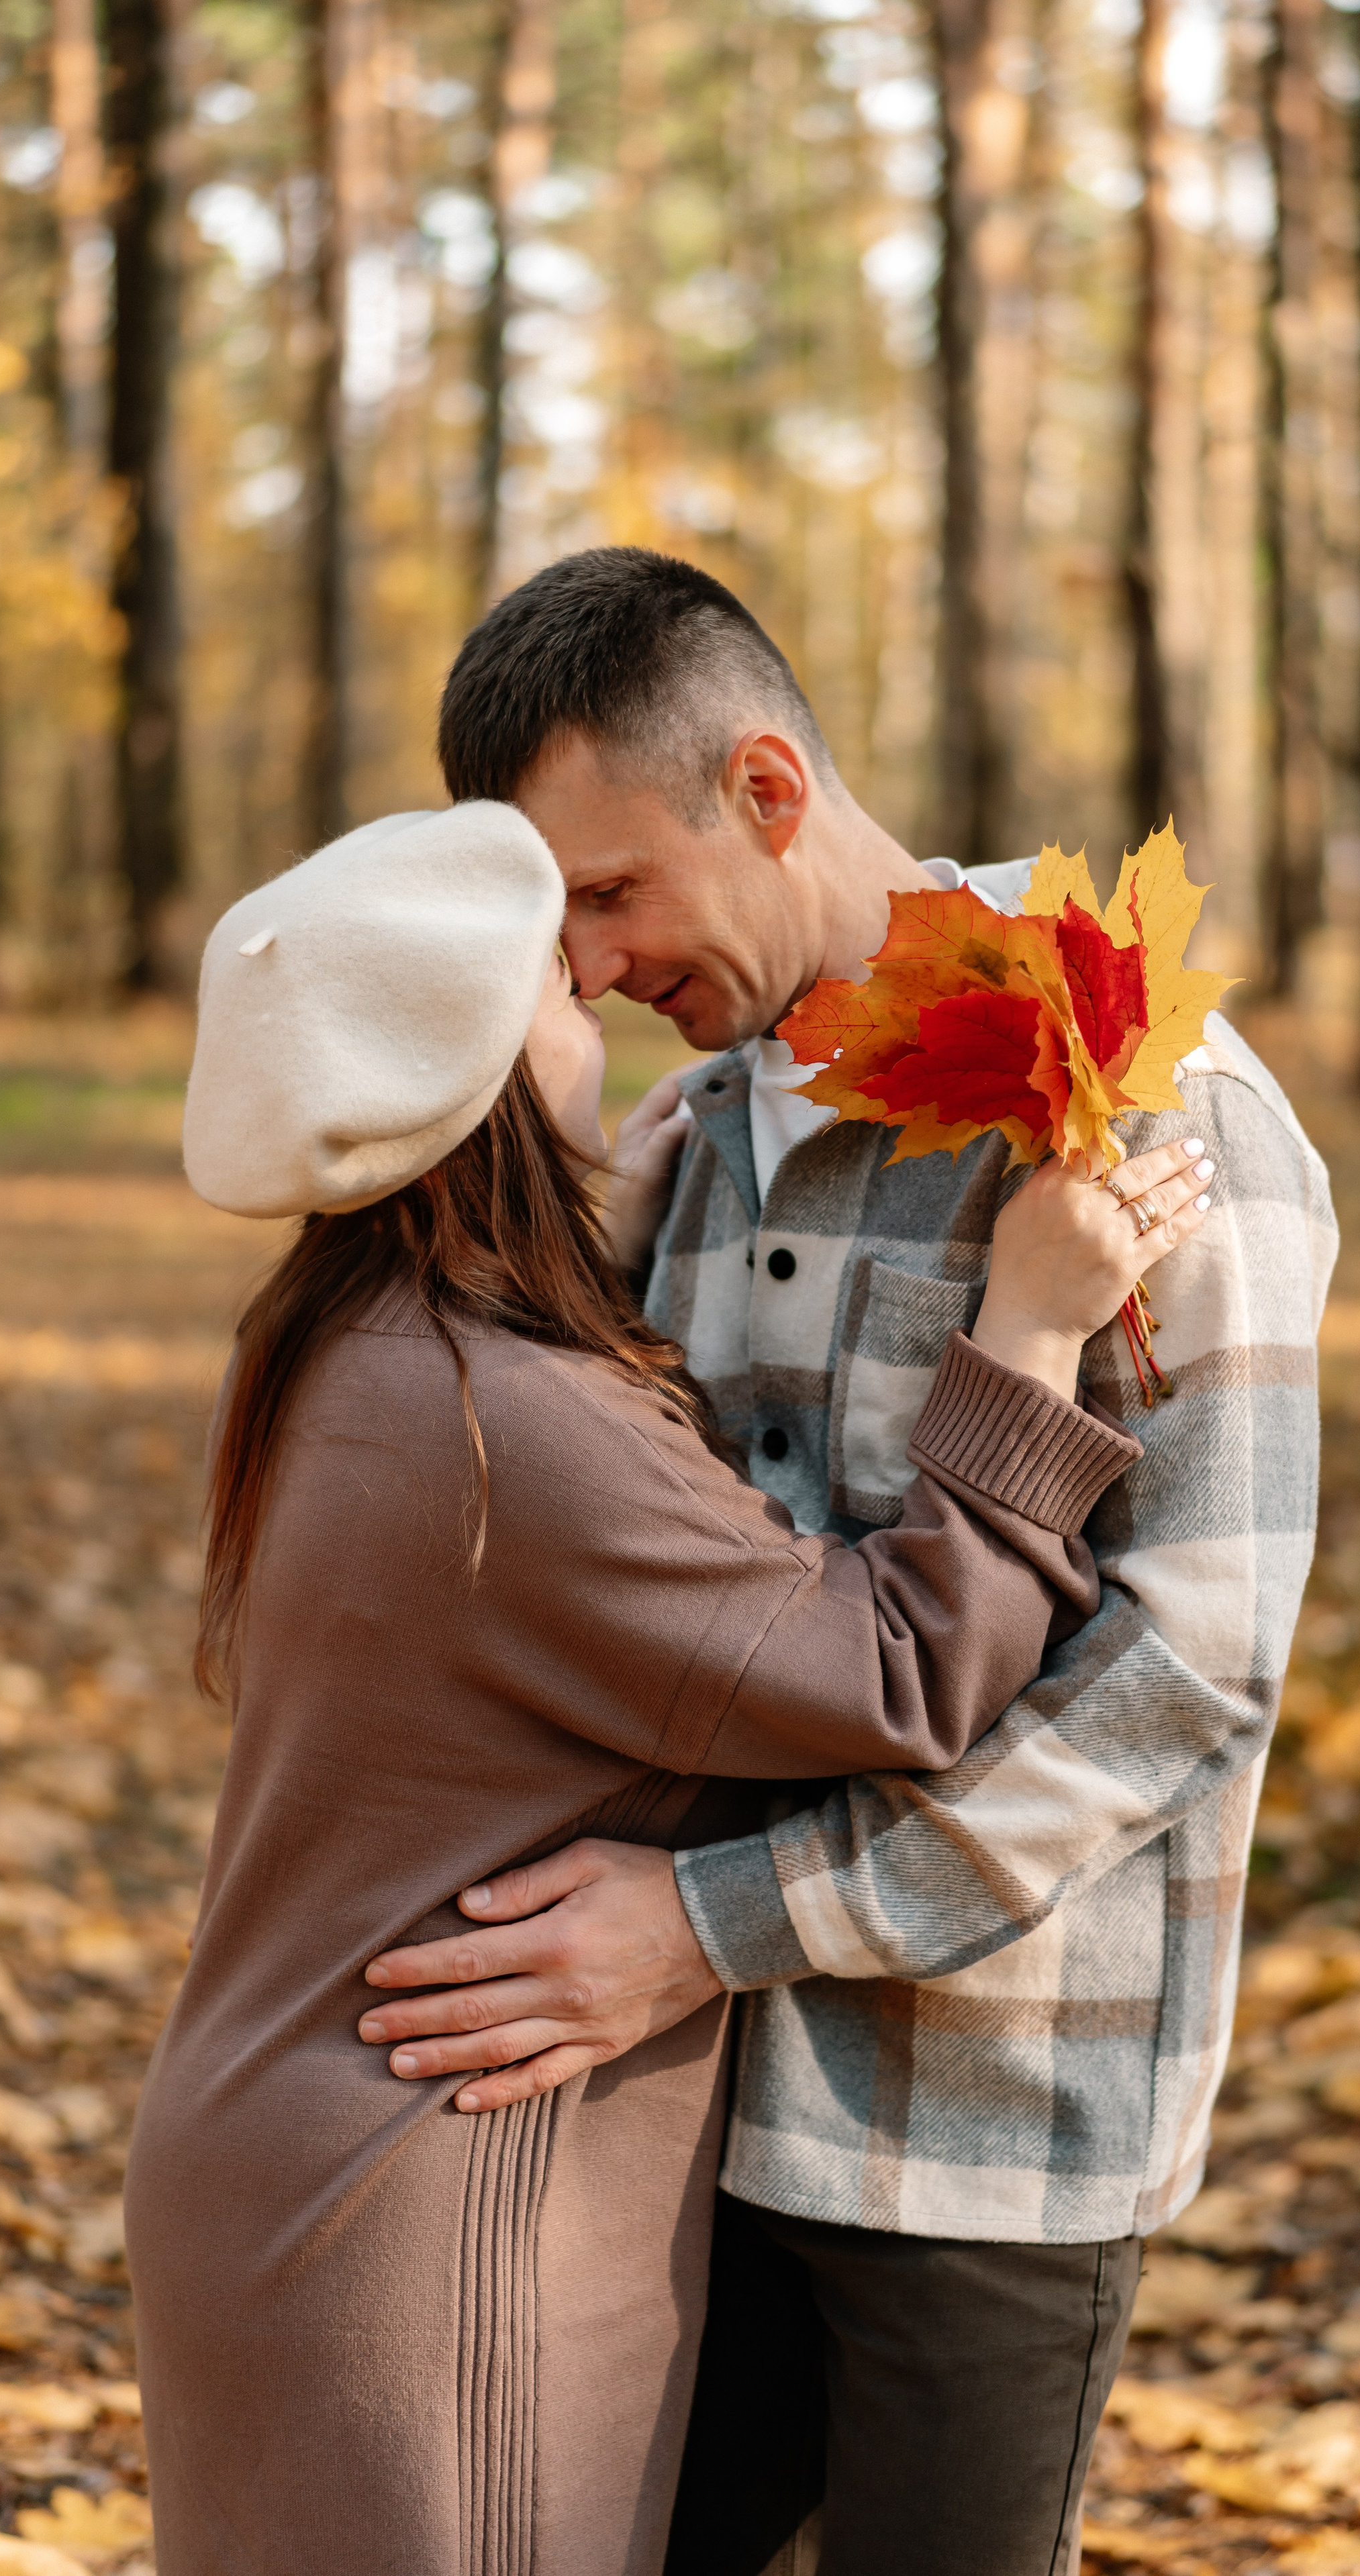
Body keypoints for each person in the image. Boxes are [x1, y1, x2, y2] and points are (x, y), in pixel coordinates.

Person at [360, 550, 1340, 2576]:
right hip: (681, 2112)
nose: (596, 969)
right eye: (559, 928)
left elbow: (1191, 1668)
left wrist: (717, 1921)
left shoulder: (1136, 1100)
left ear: (772, 791)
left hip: (986, 2129)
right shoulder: (695, 1136)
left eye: (614, 896)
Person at [122, 799, 1205, 2576]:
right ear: (474, 1075)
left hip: (282, 2150)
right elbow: (898, 1672)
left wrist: (605, 1202)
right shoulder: (504, 1428)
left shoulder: (343, 1333)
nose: (604, 999)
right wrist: (1023, 1336)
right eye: (559, 990)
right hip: (423, 2204)